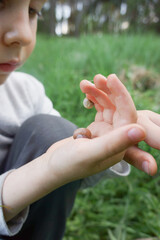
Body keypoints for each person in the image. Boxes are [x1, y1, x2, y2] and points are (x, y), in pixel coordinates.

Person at [0, 1, 158, 239]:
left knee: (51, 131)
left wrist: (104, 143)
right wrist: (44, 171)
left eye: (33, 11)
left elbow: (69, 158)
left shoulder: (27, 91)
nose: (23, 34)